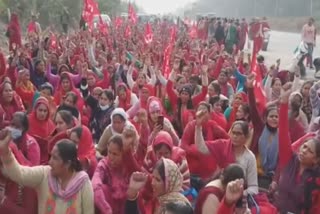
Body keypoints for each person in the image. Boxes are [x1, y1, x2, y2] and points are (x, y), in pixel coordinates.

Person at [0, 135, 94, 214]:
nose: (49, 162)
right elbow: (20, 174)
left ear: (67, 164)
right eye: (50, 156)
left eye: (55, 158)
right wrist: (5, 152)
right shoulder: (44, 174)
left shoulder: (83, 183)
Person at [274, 89, 320, 213]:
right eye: (304, 146)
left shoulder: (317, 179)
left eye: (309, 151)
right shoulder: (289, 159)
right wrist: (284, 103)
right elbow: (283, 132)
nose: (304, 151)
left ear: (316, 159)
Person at [195, 114, 258, 195]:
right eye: (233, 133)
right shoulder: (222, 145)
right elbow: (201, 148)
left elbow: (253, 188)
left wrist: (237, 194)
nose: (235, 136)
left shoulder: (250, 157)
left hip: (239, 196)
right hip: (220, 190)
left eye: (239, 134)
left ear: (246, 137)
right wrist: (198, 126)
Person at [92, 134, 140, 214]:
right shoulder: (104, 164)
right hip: (109, 208)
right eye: (109, 152)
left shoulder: (129, 165)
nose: (111, 157)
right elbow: (95, 184)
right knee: (102, 189)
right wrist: (107, 209)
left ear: (123, 154)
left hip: (129, 207)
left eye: (115, 154)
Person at [125, 158, 191, 214]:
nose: (152, 183)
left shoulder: (179, 208)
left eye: (158, 180)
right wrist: (132, 193)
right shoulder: (159, 201)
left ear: (169, 183)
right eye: (153, 177)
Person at [28, 97, 55, 164]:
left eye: (45, 111)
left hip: (45, 157)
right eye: (40, 110)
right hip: (29, 154)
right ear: (35, 110)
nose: (42, 113)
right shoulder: (27, 120)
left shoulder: (50, 124)